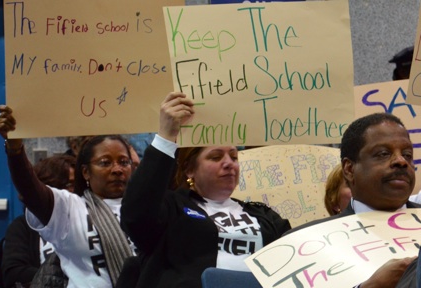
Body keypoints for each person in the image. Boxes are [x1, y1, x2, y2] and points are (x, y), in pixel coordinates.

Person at [120, 92, 291, 288]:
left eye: (234, 157)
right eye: (216, 157)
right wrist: (166, 137)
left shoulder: (262, 214)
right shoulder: (172, 208)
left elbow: (295, 252)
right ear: (189, 169)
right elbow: (136, 215)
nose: (228, 163)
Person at [0, 105, 140, 288]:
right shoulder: (70, 208)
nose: (117, 169)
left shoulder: (149, 205)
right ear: (86, 172)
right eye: (105, 163)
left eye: (123, 162)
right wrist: (15, 149)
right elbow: (29, 189)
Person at [284, 112, 421, 287]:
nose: (401, 161)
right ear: (349, 169)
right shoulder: (299, 243)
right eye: (383, 153)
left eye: (407, 154)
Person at [0, 155, 76, 288]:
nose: (73, 191)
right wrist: (65, 278)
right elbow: (13, 273)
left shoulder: (88, 221)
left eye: (76, 185)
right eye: (68, 185)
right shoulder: (22, 226)